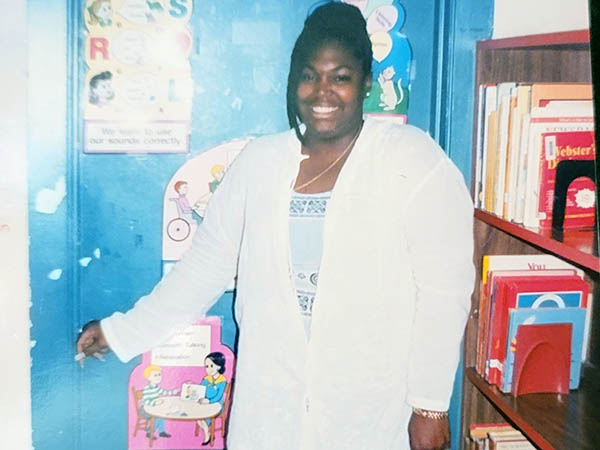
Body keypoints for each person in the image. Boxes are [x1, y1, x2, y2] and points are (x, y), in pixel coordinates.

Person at [76, 3, 474, 449]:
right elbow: (203, 270)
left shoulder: (412, 160)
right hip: (271, 412)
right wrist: (122, 331)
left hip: (371, 411)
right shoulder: (258, 163)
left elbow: (445, 290)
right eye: (309, 75)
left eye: (340, 76)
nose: (322, 91)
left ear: (365, 82)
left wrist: (429, 404)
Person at [196, 352, 228, 445]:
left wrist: (209, 401)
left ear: (218, 366)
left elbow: (218, 396)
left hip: (217, 404)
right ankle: (208, 433)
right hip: (206, 403)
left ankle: (207, 435)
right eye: (207, 366)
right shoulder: (207, 379)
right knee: (197, 415)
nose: (208, 369)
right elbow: (200, 389)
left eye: (211, 366)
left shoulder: (222, 380)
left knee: (202, 416)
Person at [140, 365, 178, 439]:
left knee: (161, 415)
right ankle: (149, 432)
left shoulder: (157, 387)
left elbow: (164, 392)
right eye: (155, 375)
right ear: (149, 377)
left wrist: (173, 392)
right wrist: (155, 403)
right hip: (144, 410)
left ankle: (161, 432)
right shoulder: (147, 388)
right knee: (158, 416)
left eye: (159, 374)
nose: (158, 377)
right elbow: (146, 401)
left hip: (154, 408)